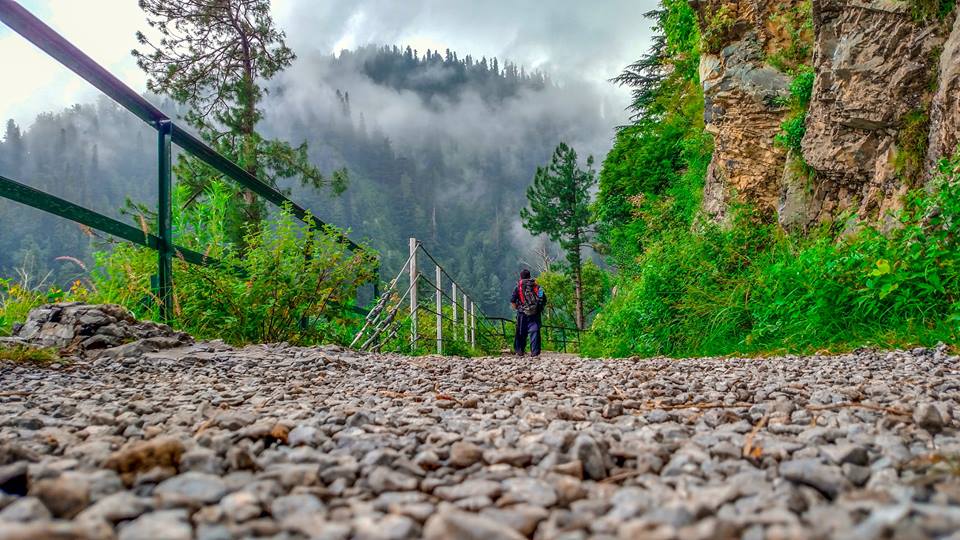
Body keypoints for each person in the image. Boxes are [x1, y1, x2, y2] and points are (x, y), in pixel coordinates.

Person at [510, 269, 547, 357]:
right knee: (535, 331)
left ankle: (520, 351)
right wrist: (539, 308)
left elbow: (513, 301)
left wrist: (518, 309)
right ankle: (534, 352)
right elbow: (543, 299)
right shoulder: (537, 286)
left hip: (522, 313)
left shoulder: (518, 287)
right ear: (529, 276)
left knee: (521, 331)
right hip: (535, 313)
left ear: (521, 277)